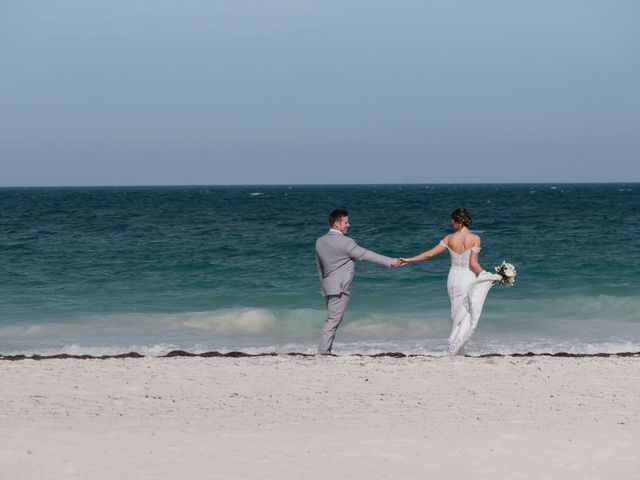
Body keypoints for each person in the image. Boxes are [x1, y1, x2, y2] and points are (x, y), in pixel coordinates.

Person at [400, 208, 501, 355]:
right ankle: (457, 346)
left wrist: (409, 259)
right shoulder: (475, 238)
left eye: (452, 221)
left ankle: (457, 348)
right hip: (467, 277)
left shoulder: (449, 238)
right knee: (466, 312)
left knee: (456, 311)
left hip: (453, 278)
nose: (450, 223)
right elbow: (473, 265)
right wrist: (488, 276)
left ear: (458, 221)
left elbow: (429, 255)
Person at [316, 209, 401, 354]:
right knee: (332, 321)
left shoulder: (320, 241)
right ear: (337, 224)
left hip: (328, 286)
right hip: (340, 287)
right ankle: (323, 352)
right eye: (346, 222)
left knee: (332, 319)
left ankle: (326, 351)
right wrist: (390, 261)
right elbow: (365, 254)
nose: (348, 225)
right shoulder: (346, 242)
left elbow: (320, 268)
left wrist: (324, 285)